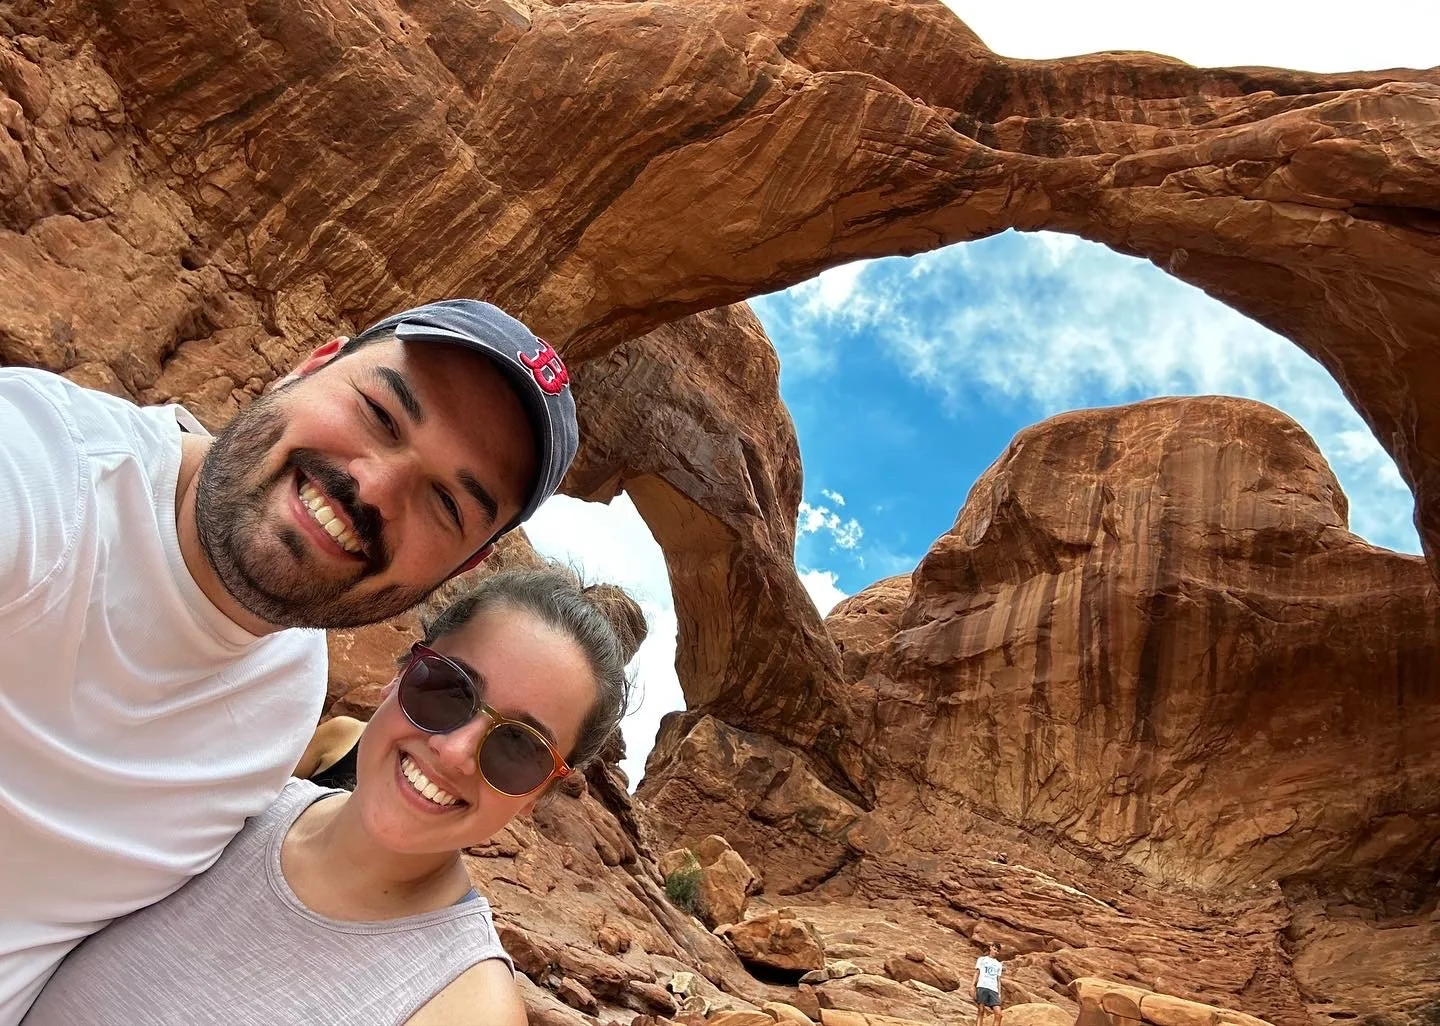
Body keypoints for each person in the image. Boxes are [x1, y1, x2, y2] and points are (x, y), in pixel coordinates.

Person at [0, 300, 578, 1023]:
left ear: (467, 564)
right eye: (381, 414)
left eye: (445, 504)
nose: (372, 486)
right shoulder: (45, 472)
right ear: (309, 364)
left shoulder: (286, 699)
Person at [24, 565, 642, 1026]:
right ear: (400, 674)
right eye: (446, 690)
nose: (455, 751)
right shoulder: (227, 799)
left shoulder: (461, 1004)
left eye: (518, 748)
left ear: (537, 792)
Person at [974, 942, 1004, 1025]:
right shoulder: (982, 959)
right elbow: (977, 973)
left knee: (999, 1014)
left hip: (993, 989)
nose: (995, 952)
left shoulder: (998, 964)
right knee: (981, 1011)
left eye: (997, 951)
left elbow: (998, 979)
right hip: (982, 986)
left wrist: (999, 993)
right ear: (990, 948)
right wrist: (972, 986)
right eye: (994, 949)